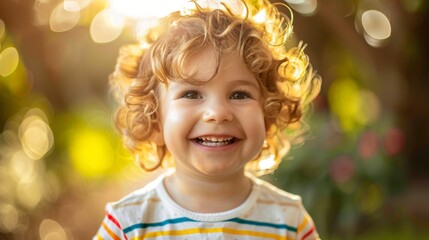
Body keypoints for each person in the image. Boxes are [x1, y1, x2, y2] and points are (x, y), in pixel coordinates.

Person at [94, 0, 321, 239]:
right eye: (191, 94)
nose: (218, 112)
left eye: (239, 94)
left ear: (268, 114)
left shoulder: (289, 221)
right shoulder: (128, 223)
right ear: (154, 119)